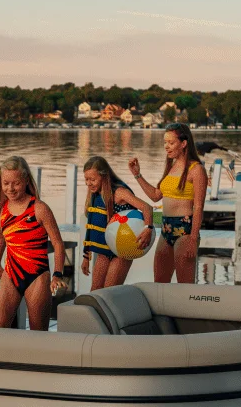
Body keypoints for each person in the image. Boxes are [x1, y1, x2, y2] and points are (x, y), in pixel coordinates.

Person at [0, 156, 67, 330]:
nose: (10, 188)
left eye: (16, 183)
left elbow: (58, 244)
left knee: (38, 334)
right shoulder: (3, 207)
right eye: (6, 183)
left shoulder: (40, 209)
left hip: (37, 276)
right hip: (11, 273)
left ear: (25, 181)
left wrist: (57, 274)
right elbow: (0, 235)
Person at [128, 123, 207, 284]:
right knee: (159, 283)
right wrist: (137, 175)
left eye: (171, 143)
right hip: (166, 229)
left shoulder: (196, 169)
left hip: (185, 230)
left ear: (183, 143)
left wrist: (193, 239)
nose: (166, 146)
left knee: (185, 285)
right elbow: (155, 196)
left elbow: (198, 207)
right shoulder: (171, 166)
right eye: (165, 142)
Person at [80, 155, 154, 290]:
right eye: (86, 179)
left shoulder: (119, 192)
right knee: (95, 291)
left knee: (109, 291)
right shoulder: (95, 194)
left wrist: (148, 228)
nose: (89, 183)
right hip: (104, 251)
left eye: (93, 179)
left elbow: (146, 207)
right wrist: (86, 256)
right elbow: (91, 226)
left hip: (121, 251)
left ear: (104, 176)